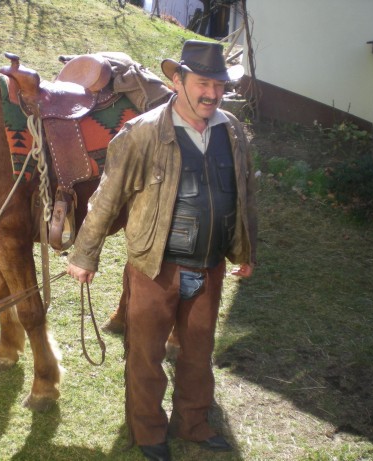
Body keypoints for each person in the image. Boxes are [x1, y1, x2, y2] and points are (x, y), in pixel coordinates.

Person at [66, 40, 258, 460]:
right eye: (203, 83)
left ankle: (192, 423)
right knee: (146, 356)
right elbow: (107, 196)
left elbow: (243, 193)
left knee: (198, 352)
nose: (212, 93)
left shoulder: (232, 131)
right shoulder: (143, 133)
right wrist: (84, 255)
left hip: (208, 266)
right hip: (155, 268)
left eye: (219, 85)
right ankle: (150, 433)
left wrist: (245, 248)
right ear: (177, 80)